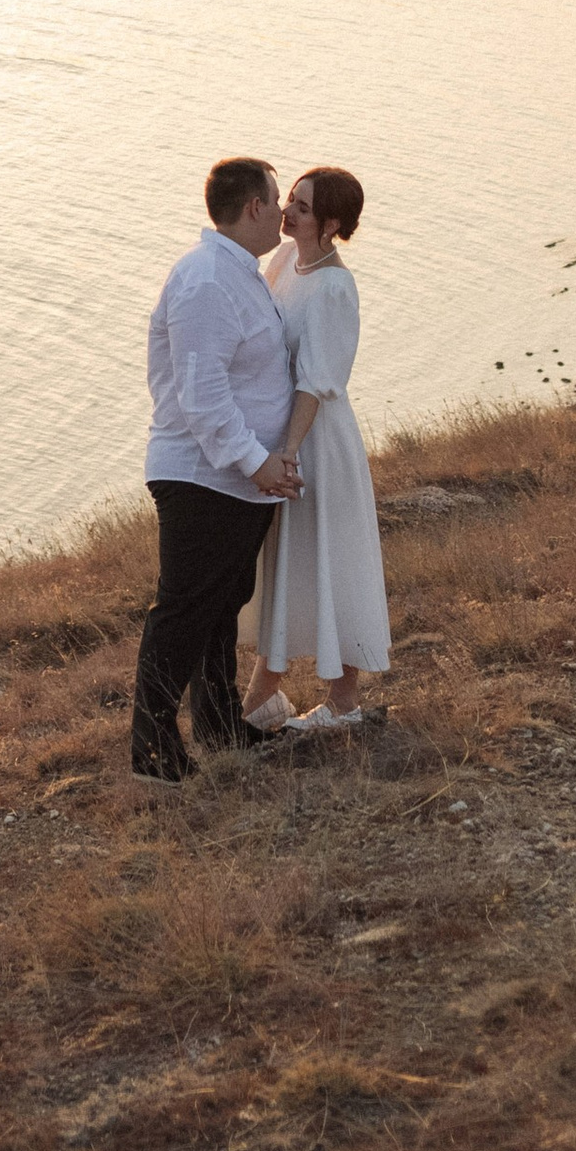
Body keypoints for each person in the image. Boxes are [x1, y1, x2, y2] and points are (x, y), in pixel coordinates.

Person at [130, 156, 303, 781]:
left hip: (234, 478)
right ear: (253, 207)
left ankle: (220, 725)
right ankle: (152, 755)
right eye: (276, 200)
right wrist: (256, 462)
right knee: (182, 611)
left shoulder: (241, 272)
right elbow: (202, 396)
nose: (283, 214)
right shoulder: (206, 280)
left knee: (222, 603)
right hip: (203, 475)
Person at [245, 167, 390, 732]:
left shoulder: (335, 287)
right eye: (291, 201)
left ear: (330, 224)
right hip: (285, 435)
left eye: (302, 208)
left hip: (317, 441)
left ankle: (343, 701)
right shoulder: (283, 262)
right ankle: (263, 697)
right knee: (286, 562)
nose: (288, 212)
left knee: (333, 556)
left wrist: (288, 453)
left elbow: (316, 379)